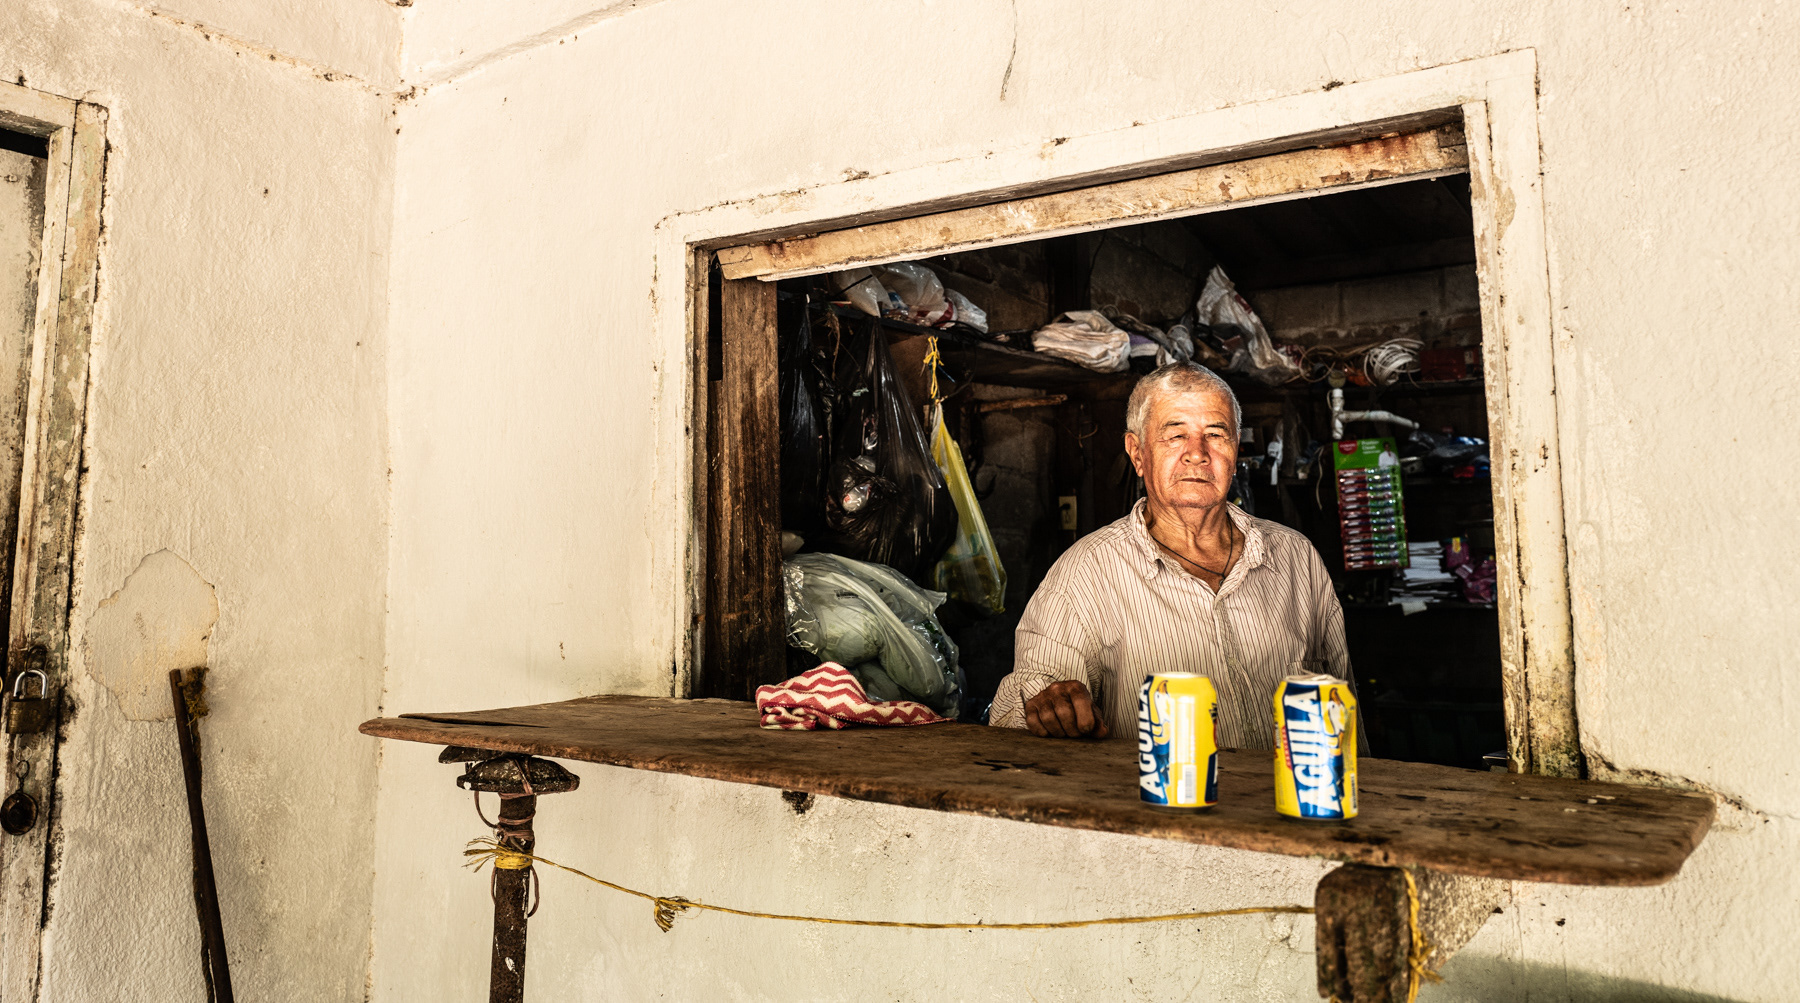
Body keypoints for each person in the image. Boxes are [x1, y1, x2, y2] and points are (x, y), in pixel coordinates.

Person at [989, 362, 1350, 749]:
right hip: (1159, 791)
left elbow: (1344, 711)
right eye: (1176, 435)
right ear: (1137, 453)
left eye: (1216, 434)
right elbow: (1014, 716)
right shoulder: (1084, 573)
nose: (1197, 454)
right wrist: (1047, 707)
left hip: (1291, 789)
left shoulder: (1296, 558)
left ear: (1235, 450)